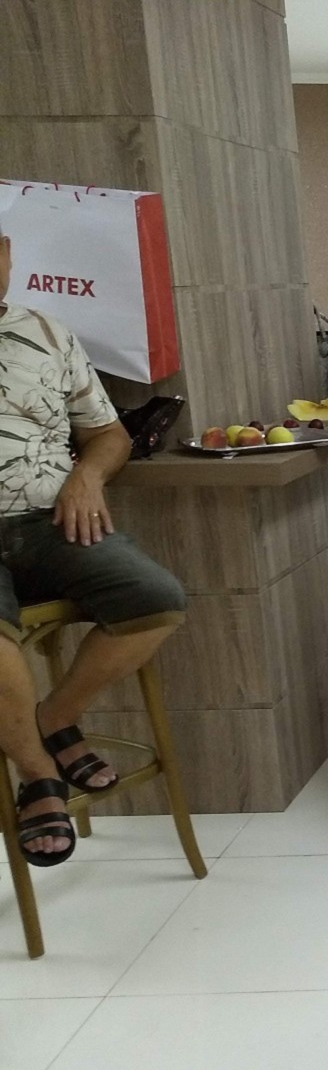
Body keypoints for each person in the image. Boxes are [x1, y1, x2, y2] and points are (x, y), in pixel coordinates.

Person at [0, 222, 187, 867]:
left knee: (155, 597)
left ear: (7, 254)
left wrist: (87, 475)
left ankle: (55, 715)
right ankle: (37, 775)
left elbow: (109, 435)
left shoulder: (48, 333)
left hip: (49, 522)